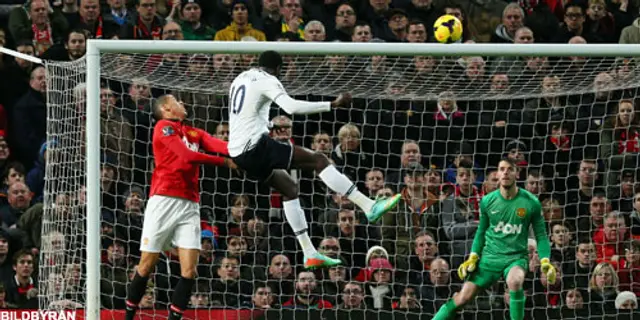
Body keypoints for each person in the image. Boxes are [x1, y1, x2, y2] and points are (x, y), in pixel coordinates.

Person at [228, 50, 401, 269]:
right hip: (255, 147)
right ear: (279, 69)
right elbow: (290, 107)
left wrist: (269, 126)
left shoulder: (240, 78)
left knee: (290, 188)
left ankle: (309, 252)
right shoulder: (268, 80)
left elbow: (243, 114)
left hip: (238, 152)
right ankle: (368, 205)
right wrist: (332, 105)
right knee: (319, 160)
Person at [124, 94, 236, 320]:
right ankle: (128, 316)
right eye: (177, 101)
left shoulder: (194, 132)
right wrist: (222, 162)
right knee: (146, 266)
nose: (183, 103)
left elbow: (221, 145)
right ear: (166, 108)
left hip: (190, 204)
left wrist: (247, 150)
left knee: (189, 271)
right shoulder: (163, 127)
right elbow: (185, 156)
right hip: (164, 200)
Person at [433, 158, 556, 320]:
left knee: (515, 280)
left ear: (517, 174)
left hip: (516, 257)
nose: (505, 172)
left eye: (510, 169)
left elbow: (541, 236)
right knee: (464, 297)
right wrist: (473, 257)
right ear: (497, 174)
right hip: (489, 257)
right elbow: (481, 232)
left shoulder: (531, 202)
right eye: (502, 169)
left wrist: (545, 259)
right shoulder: (487, 201)